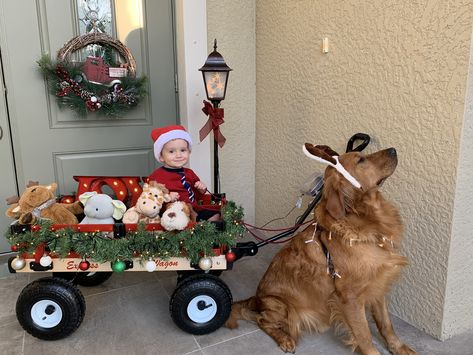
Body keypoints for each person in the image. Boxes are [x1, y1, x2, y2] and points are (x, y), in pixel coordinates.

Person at [149, 125, 220, 222]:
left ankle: (200, 234)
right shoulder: (156, 176)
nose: (178, 155)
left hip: (193, 210)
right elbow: (152, 199)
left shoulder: (189, 173)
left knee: (215, 216)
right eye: (171, 151)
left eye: (183, 150)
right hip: (171, 212)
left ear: (189, 152)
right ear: (161, 156)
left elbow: (197, 196)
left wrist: (201, 189)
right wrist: (168, 197)